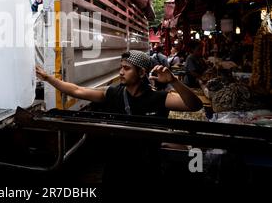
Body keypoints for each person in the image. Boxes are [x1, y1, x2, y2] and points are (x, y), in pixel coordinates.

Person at [36, 50, 202, 187]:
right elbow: (77, 91)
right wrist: (47, 78)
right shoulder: (112, 93)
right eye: (121, 67)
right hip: (115, 169)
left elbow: (194, 105)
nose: (121, 72)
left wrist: (174, 82)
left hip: (147, 170)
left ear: (142, 72)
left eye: (127, 68)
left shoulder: (158, 98)